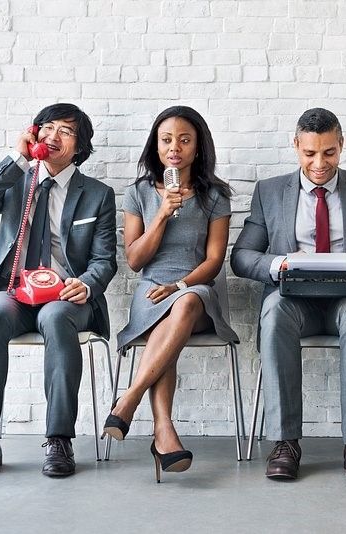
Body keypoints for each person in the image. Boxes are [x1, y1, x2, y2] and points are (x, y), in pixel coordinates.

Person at [231, 108, 346, 481]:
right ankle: (285, 442)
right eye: (310, 154)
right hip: (293, 298)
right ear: (296, 146)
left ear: (342, 146)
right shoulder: (270, 192)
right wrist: (280, 264)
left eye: (329, 153)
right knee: (273, 312)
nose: (319, 163)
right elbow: (242, 256)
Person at [0, 103, 117, 478]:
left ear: (80, 146)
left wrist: (87, 283)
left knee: (57, 316)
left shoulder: (98, 194)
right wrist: (18, 158)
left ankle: (59, 439)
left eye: (65, 130)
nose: (52, 136)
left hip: (66, 296)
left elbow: (104, 260)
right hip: (14, 293)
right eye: (46, 127)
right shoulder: (18, 179)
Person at [102, 106, 237, 482]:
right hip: (151, 295)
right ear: (156, 146)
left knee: (188, 302)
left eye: (184, 140)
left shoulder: (215, 196)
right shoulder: (139, 193)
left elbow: (214, 261)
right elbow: (134, 260)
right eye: (166, 140)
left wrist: (180, 286)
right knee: (166, 334)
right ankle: (164, 433)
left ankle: (127, 400)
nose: (174, 147)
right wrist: (161, 214)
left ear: (197, 148)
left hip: (195, 292)